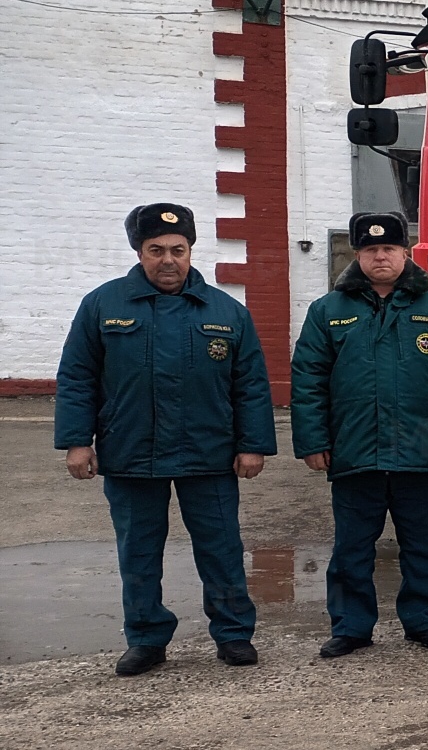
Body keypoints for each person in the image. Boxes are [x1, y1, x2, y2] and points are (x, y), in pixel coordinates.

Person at [54, 204, 276, 674]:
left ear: (191, 251)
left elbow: (251, 383)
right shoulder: (103, 305)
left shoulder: (226, 311)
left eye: (178, 249)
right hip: (131, 452)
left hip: (209, 455)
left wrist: (252, 444)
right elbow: (77, 377)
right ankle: (147, 639)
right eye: (156, 250)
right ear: (139, 251)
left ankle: (234, 634)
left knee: (221, 548)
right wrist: (78, 440)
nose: (168, 259)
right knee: (138, 551)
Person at [290, 212, 428, 658]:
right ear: (358, 255)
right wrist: (314, 442)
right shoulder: (328, 311)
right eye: (371, 250)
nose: (380, 257)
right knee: (352, 547)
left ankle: (423, 621)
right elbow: (308, 380)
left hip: (421, 451)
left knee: (423, 545)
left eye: (389, 249)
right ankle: (351, 626)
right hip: (355, 453)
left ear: (405, 253)